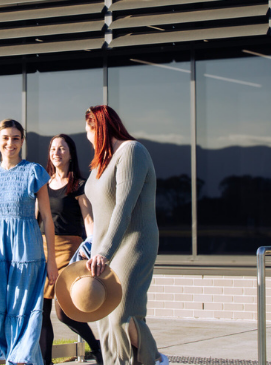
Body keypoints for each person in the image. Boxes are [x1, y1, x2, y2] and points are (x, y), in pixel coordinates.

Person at [83, 106, 167, 365]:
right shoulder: (101, 162)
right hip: (102, 246)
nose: (88, 138)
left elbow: (123, 207)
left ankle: (152, 359)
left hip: (133, 243)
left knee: (123, 314)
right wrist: (92, 248)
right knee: (103, 314)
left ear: (100, 127)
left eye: (89, 131)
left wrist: (103, 252)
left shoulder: (131, 151)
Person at [0, 119, 58, 365]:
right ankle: (14, 356)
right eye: (6, 138)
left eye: (16, 138)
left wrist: (51, 261)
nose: (11, 143)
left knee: (25, 309)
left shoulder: (34, 171)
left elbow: (48, 220)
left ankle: (20, 361)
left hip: (28, 249)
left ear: (22, 141)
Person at [38, 134, 104, 365]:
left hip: (69, 250)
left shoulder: (79, 185)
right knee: (41, 312)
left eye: (62, 148)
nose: (56, 152)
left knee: (64, 312)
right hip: (44, 249)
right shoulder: (42, 185)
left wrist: (94, 248)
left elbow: (89, 220)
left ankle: (96, 347)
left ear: (70, 153)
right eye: (53, 148)